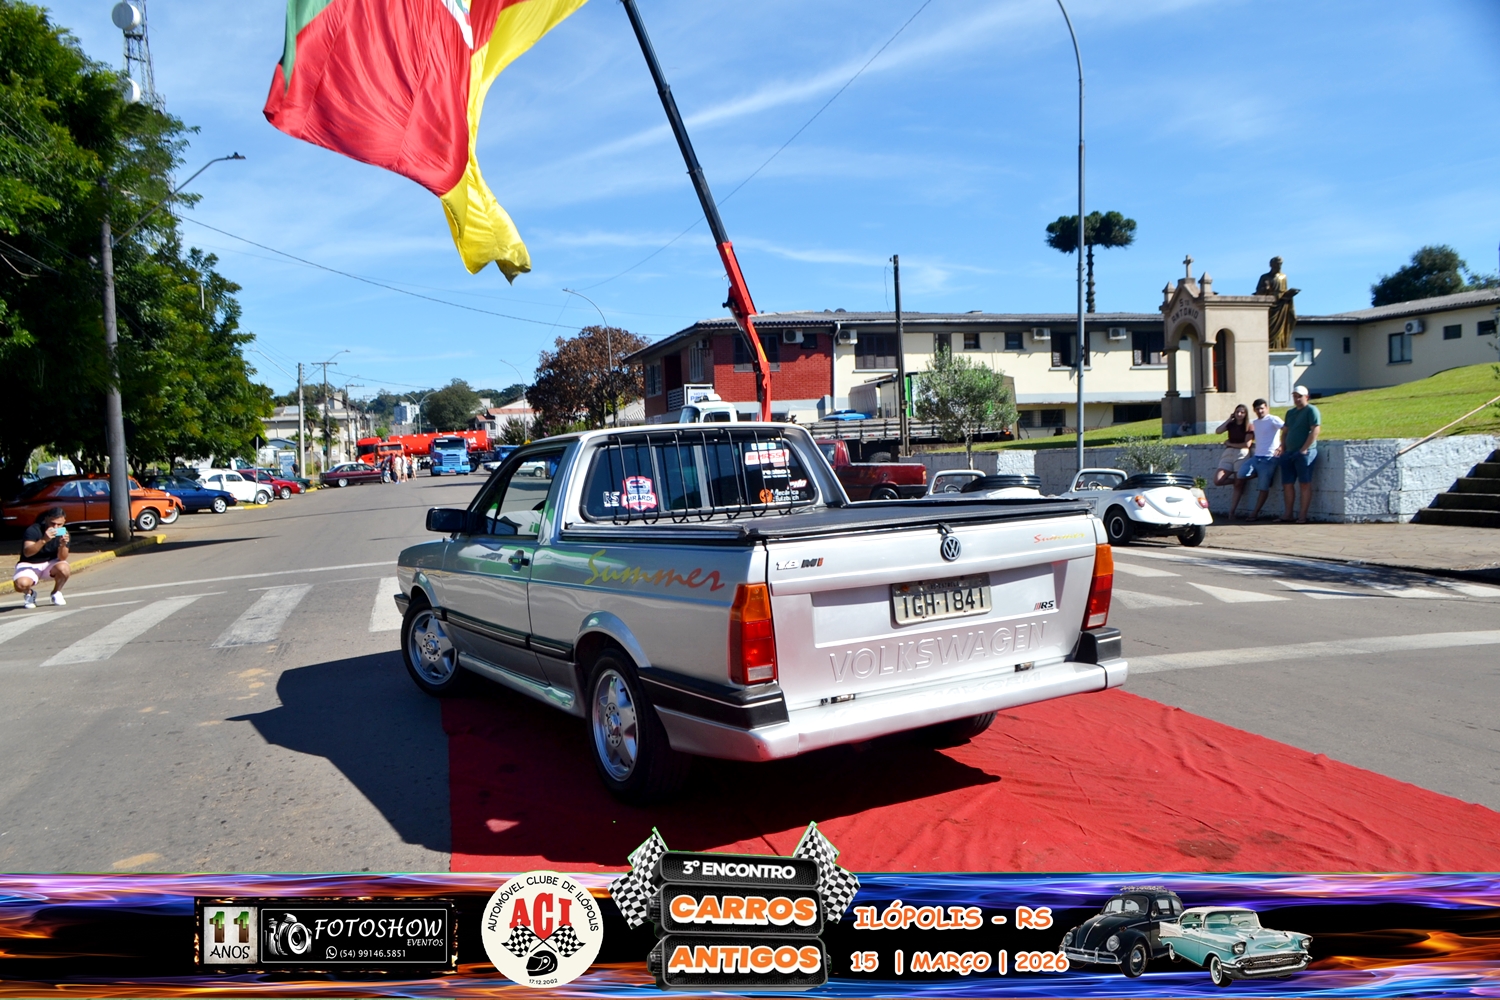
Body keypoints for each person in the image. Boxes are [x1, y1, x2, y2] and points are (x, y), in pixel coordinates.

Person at [1279, 385, 1321, 523]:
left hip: (1304, 453)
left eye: (1300, 396)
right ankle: (1288, 514)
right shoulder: (1290, 413)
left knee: (1304, 483)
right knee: (1287, 483)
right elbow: (1285, 431)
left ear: (1306, 397)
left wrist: (1304, 448)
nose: (1297, 399)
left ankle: (1302, 515)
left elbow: (1315, 430)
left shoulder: (1311, 410)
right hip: (1289, 452)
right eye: (1295, 396)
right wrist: (1283, 447)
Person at [14, 506, 71, 608]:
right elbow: (27, 552)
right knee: (20, 585)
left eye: (59, 524)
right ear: (46, 519)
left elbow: (62, 558)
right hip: (30, 563)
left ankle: (56, 592)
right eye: (52, 523)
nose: (55, 527)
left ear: (64, 522)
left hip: (50, 564)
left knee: (64, 568)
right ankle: (30, 593)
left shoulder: (64, 533)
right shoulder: (33, 530)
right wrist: (44, 540)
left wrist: (63, 545)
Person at [1246, 398, 1285, 521]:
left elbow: (1286, 430)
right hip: (1257, 457)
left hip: (1270, 457)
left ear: (1267, 408)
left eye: (1262, 408)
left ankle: (1255, 513)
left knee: (1263, 488)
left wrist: (1281, 446)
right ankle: (1265, 476)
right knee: (1241, 474)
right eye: (1257, 409)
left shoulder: (1273, 419)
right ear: (1254, 410)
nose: (1260, 411)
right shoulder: (1255, 423)